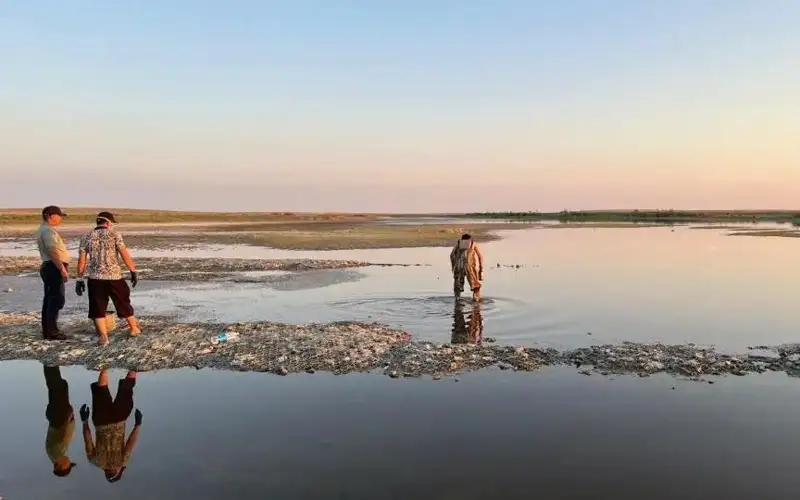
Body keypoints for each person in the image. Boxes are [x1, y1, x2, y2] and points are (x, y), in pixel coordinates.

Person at [75, 212, 141, 345]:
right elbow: (124, 254)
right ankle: (134, 328)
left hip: (95, 278)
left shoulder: (86, 236)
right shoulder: (115, 234)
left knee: (97, 307)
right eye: (111, 223)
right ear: (107, 223)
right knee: (123, 302)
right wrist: (133, 271)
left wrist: (79, 279)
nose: (111, 225)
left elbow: (82, 260)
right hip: (114, 276)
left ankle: (104, 337)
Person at [80, 369, 142, 483]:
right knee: (101, 389)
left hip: (119, 419)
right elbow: (87, 439)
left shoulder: (122, 462)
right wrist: (84, 421)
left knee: (127, 389)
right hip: (101, 421)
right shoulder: (95, 461)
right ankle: (105, 366)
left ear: (118, 472)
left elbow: (131, 442)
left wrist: (137, 424)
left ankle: (134, 367)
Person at [37, 205, 71, 340]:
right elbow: (52, 250)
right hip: (53, 267)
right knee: (55, 299)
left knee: (50, 298)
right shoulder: (47, 231)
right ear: (50, 215)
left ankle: (49, 329)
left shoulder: (45, 230)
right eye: (59, 215)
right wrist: (62, 268)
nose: (60, 218)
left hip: (50, 266)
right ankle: (51, 331)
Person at [44, 365, 77, 477]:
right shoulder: (55, 455)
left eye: (68, 464)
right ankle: (51, 364)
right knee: (59, 387)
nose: (69, 461)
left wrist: (67, 419)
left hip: (59, 417)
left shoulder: (57, 455)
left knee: (57, 387)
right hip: (57, 416)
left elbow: (62, 436)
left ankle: (50, 364)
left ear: (61, 466)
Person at [449, 233, 485, 302]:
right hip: (470, 267)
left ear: (462, 239)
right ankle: (476, 302)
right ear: (470, 239)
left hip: (459, 266)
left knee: (457, 286)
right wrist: (481, 269)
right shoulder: (473, 243)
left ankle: (457, 300)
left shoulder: (458, 243)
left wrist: (453, 266)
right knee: (476, 287)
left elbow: (451, 255)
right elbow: (480, 257)